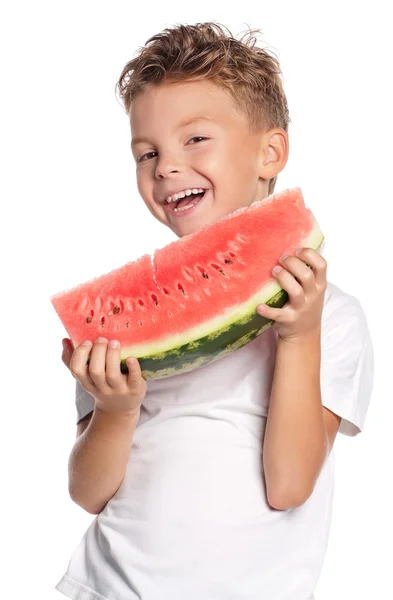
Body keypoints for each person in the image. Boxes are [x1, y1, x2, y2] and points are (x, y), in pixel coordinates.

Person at [55, 22, 374, 600]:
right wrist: (116, 410)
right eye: (146, 153)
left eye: (195, 139)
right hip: (107, 588)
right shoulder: (125, 325)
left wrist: (300, 337)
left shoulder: (334, 319)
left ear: (270, 151)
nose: (165, 166)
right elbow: (88, 493)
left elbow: (290, 484)